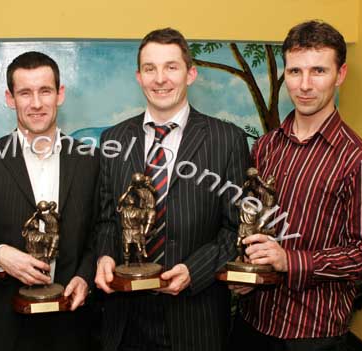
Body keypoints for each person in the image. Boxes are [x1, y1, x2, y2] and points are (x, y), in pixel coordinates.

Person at [230, 20, 362, 351]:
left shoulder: (359, 160)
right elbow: (255, 221)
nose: (304, 85)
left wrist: (291, 261)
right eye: (295, 71)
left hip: (313, 333)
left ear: (340, 75)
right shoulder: (266, 147)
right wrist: (247, 272)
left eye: (318, 71)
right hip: (251, 323)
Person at [94, 28, 250, 351]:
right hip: (125, 320)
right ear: (139, 77)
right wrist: (106, 256)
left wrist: (194, 271)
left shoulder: (227, 140)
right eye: (150, 68)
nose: (160, 78)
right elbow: (108, 218)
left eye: (171, 67)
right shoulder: (114, 139)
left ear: (190, 73)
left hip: (195, 317)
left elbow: (235, 228)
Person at [0, 51, 99, 351]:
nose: (36, 104)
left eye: (45, 91)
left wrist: (85, 278)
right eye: (25, 93)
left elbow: (98, 232)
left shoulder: (90, 161)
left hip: (72, 326)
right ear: (10, 98)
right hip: (2, 328)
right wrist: (2, 255)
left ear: (59, 94)